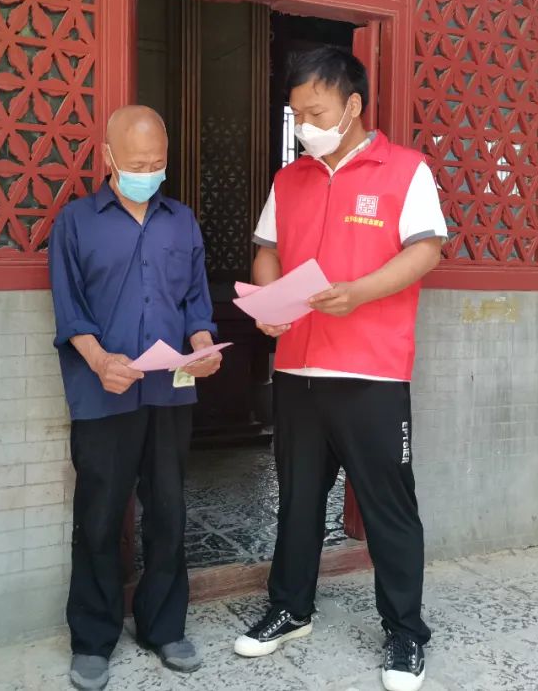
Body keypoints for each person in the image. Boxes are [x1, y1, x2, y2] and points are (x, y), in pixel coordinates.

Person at [232, 47, 446, 691]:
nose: (304, 125)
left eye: (316, 112)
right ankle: (290, 608)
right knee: (297, 501)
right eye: (296, 114)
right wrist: (270, 304)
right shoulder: (290, 180)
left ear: (353, 106)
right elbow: (266, 249)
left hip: (372, 373)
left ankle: (405, 632)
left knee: (388, 506)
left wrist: (359, 293)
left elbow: (426, 251)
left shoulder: (405, 170)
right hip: (298, 369)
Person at [49, 105, 222, 691]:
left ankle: (163, 626)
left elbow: (195, 305)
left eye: (157, 163)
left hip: (170, 391)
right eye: (137, 164)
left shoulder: (182, 222)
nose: (149, 173)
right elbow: (70, 310)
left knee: (169, 510)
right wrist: (101, 361)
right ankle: (92, 638)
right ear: (108, 158)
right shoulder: (76, 222)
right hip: (104, 392)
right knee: (99, 515)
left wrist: (203, 346)